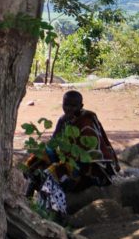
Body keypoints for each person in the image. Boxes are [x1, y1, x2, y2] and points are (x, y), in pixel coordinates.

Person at [24, 90, 119, 218]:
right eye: (66, 105)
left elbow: (91, 154)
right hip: (69, 158)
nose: (69, 108)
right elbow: (53, 142)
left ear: (81, 106)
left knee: (54, 173)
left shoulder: (86, 121)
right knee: (36, 160)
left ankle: (57, 214)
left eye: (73, 106)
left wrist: (65, 157)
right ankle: (27, 199)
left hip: (89, 169)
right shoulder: (63, 120)